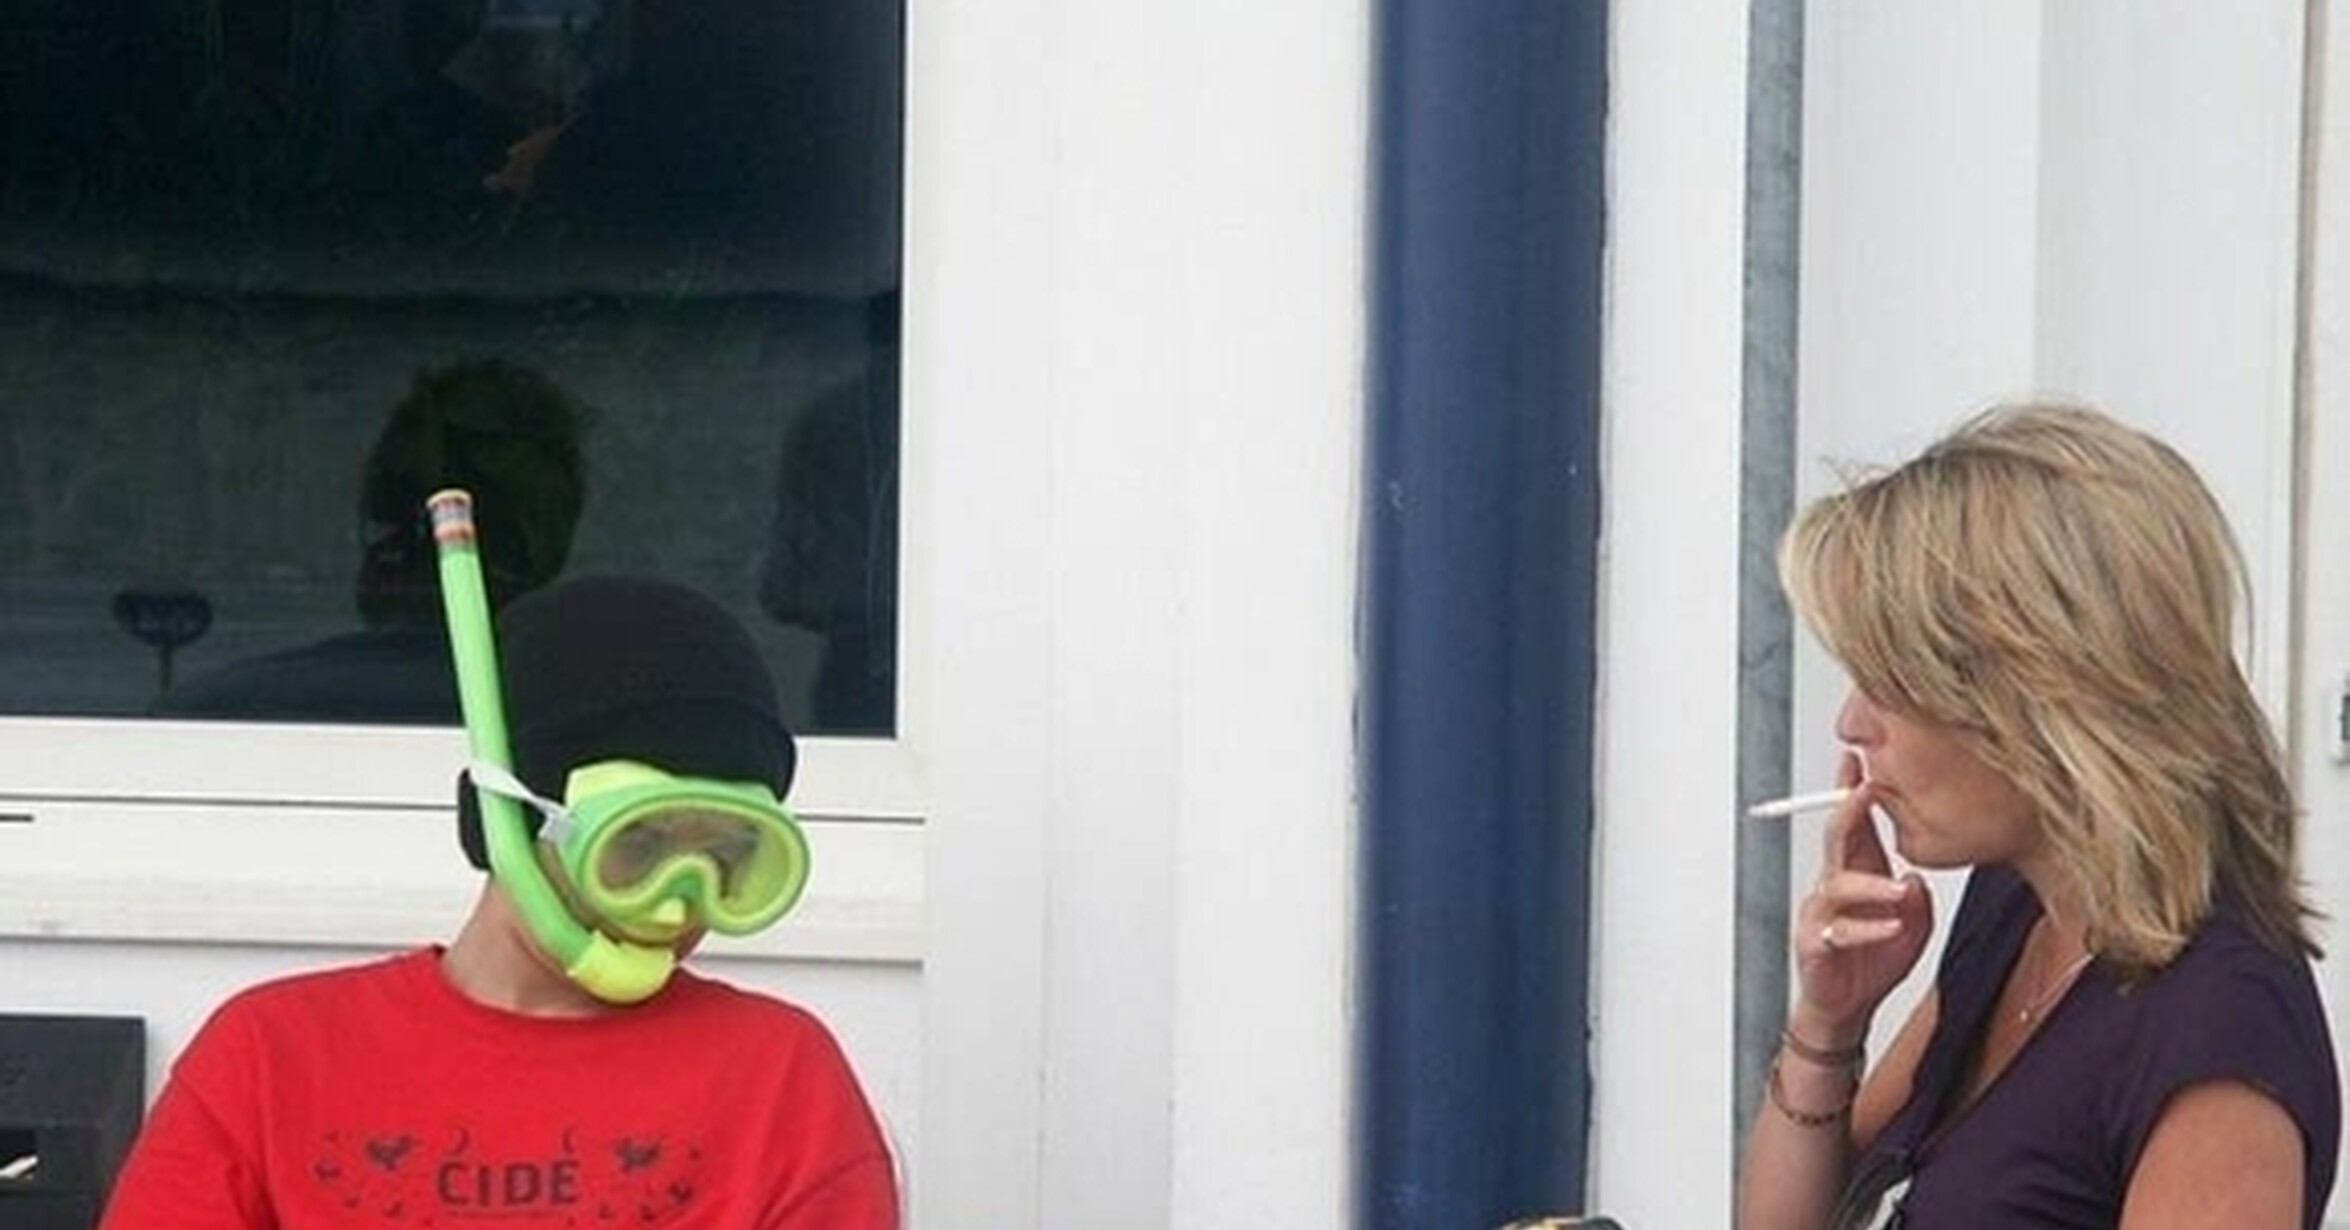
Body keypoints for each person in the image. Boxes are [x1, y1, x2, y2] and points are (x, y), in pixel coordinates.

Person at [101, 574, 900, 1228]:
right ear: (503, 819)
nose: (675, 906)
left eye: (725, 859)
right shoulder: (272, 1055)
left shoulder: (780, 1079)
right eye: (636, 845)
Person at [1738, 405, 2339, 1229]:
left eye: (1889, 683)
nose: (1852, 724)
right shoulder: (2018, 907)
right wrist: (1830, 1020)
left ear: (2044, 697)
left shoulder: (2216, 1029)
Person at [154, 357, 587, 722]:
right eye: (386, 518)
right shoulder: (584, 721)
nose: (386, 547)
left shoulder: (206, 718)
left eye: (386, 516)